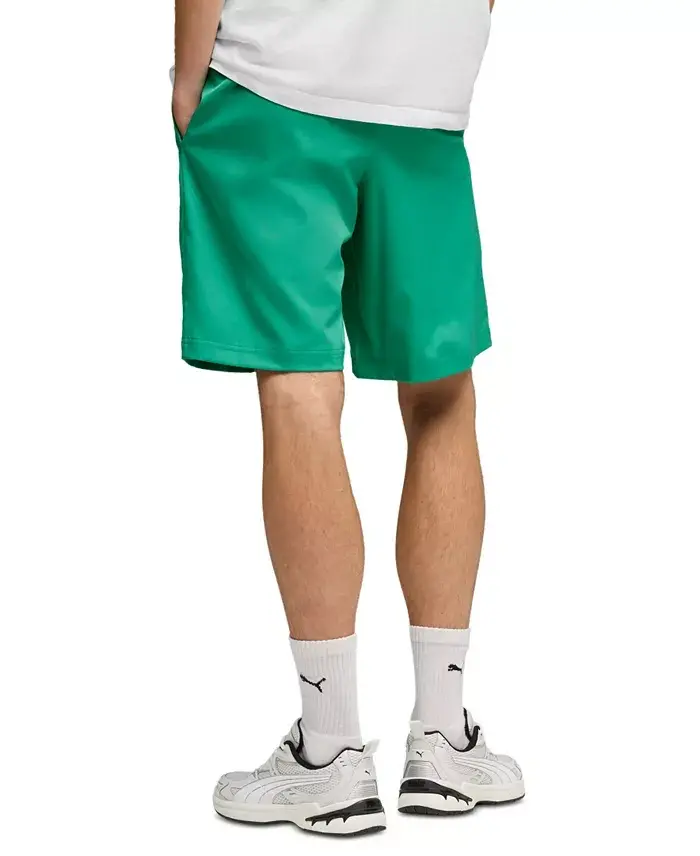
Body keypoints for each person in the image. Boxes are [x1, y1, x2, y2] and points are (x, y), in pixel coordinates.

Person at [173, 0, 523, 836]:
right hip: (425, 88)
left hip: (275, 78)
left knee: (299, 382)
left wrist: (188, 80)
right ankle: (443, 738)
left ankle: (329, 754)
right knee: (440, 388)